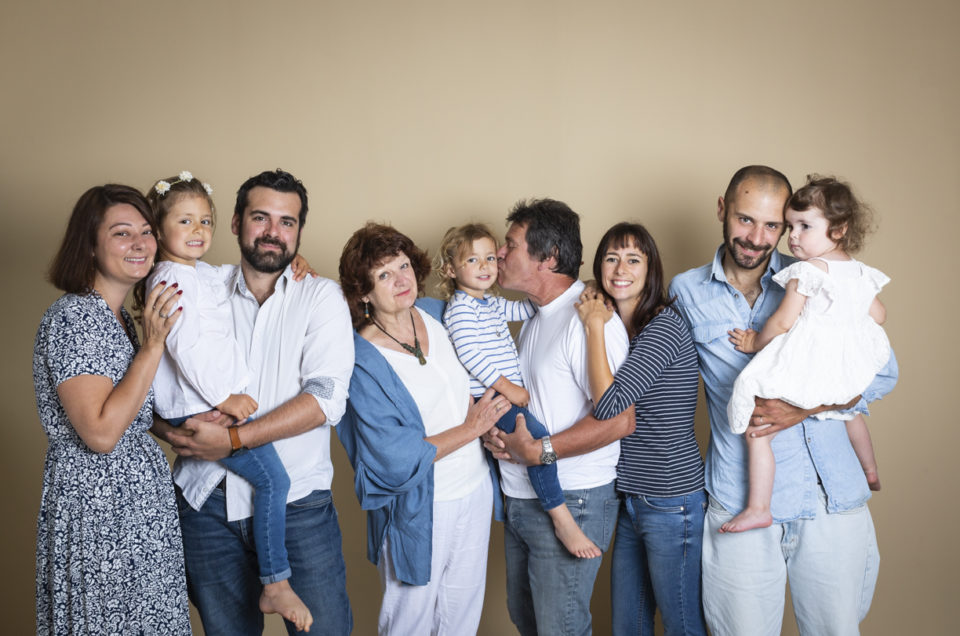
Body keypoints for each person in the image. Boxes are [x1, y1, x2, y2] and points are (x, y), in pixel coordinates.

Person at [669, 165, 898, 635]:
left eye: (773, 225)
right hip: (741, 495)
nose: (758, 237)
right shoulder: (686, 291)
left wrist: (805, 408)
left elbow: (883, 373)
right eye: (745, 220)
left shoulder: (820, 277)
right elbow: (654, 372)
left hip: (829, 494)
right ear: (722, 210)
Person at [154, 169, 354, 635]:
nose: (273, 232)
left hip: (298, 508)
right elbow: (151, 369)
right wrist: (168, 430)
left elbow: (326, 401)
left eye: (287, 222)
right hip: (206, 504)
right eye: (260, 217)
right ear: (236, 223)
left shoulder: (322, 297)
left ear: (299, 231)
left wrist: (232, 439)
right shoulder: (201, 286)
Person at [336, 223, 507, 635]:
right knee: (409, 622)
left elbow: (471, 379)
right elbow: (392, 459)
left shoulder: (437, 313)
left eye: (404, 265)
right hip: (419, 508)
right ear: (362, 292)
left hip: (475, 489)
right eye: (384, 274)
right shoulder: (361, 360)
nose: (401, 279)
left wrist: (485, 432)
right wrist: (473, 427)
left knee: (463, 615)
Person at [34, 184, 190, 634]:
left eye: (146, 231)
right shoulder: (74, 317)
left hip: (136, 510)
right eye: (123, 233)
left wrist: (176, 434)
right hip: (99, 513)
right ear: (90, 244)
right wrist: (154, 346)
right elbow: (101, 433)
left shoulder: (119, 317)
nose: (140, 243)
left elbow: (128, 408)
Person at [482, 199, 634, 635]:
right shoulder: (535, 317)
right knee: (528, 621)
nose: (499, 254)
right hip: (521, 500)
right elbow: (535, 405)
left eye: (510, 245)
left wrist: (538, 450)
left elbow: (620, 420)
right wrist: (501, 438)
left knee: (560, 629)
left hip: (575, 500)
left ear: (548, 258)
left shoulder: (590, 319)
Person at [722, 175, 890, 533]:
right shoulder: (860, 272)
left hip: (811, 360)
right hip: (845, 362)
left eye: (803, 227)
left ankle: (758, 506)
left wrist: (753, 343)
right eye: (791, 227)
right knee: (848, 409)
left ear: (839, 230)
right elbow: (879, 315)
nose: (793, 236)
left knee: (758, 431)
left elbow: (783, 322)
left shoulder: (808, 271)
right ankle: (870, 469)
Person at [436, 222, 601, 559]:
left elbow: (533, 306)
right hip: (492, 398)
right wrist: (509, 389)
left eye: (490, 258)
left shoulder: (491, 305)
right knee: (537, 438)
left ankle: (552, 511)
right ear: (451, 270)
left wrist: (585, 289)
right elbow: (470, 355)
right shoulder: (460, 310)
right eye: (472, 261)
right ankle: (560, 516)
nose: (485, 266)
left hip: (502, 396)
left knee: (528, 444)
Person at [576, 222, 707, 635]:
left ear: (650, 270)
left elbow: (610, 406)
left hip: (671, 499)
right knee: (628, 625)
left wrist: (593, 324)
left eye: (634, 258)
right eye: (611, 258)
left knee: (682, 624)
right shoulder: (623, 327)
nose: (621, 268)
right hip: (633, 496)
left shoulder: (663, 326)